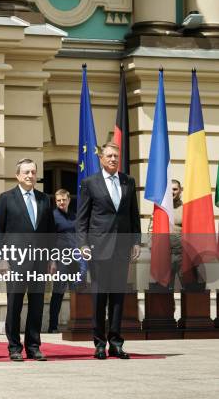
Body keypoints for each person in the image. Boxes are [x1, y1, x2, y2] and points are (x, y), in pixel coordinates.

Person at [77, 142, 141, 360]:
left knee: (117, 297)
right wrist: (83, 244)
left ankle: (116, 342)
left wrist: (136, 242)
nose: (114, 159)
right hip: (98, 248)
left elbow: (134, 215)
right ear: (101, 159)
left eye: (116, 155)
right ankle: (99, 343)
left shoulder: (128, 181)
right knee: (99, 296)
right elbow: (82, 218)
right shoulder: (89, 183)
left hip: (122, 248)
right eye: (110, 156)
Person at [0, 158, 55, 361]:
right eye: (26, 172)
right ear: (18, 175)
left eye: (33, 172)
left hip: (39, 261)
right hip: (15, 261)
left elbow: (50, 232)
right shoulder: (6, 198)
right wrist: (1, 259)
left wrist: (52, 259)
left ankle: (34, 346)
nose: (30, 176)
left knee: (37, 304)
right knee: (15, 304)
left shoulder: (45, 199)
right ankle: (14, 347)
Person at [47, 188, 77, 333]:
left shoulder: (74, 216)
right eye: (58, 200)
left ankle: (76, 323)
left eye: (64, 200)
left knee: (76, 292)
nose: (61, 202)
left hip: (75, 260)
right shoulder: (52, 217)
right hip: (60, 260)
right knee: (58, 293)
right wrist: (52, 262)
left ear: (69, 200)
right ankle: (52, 326)